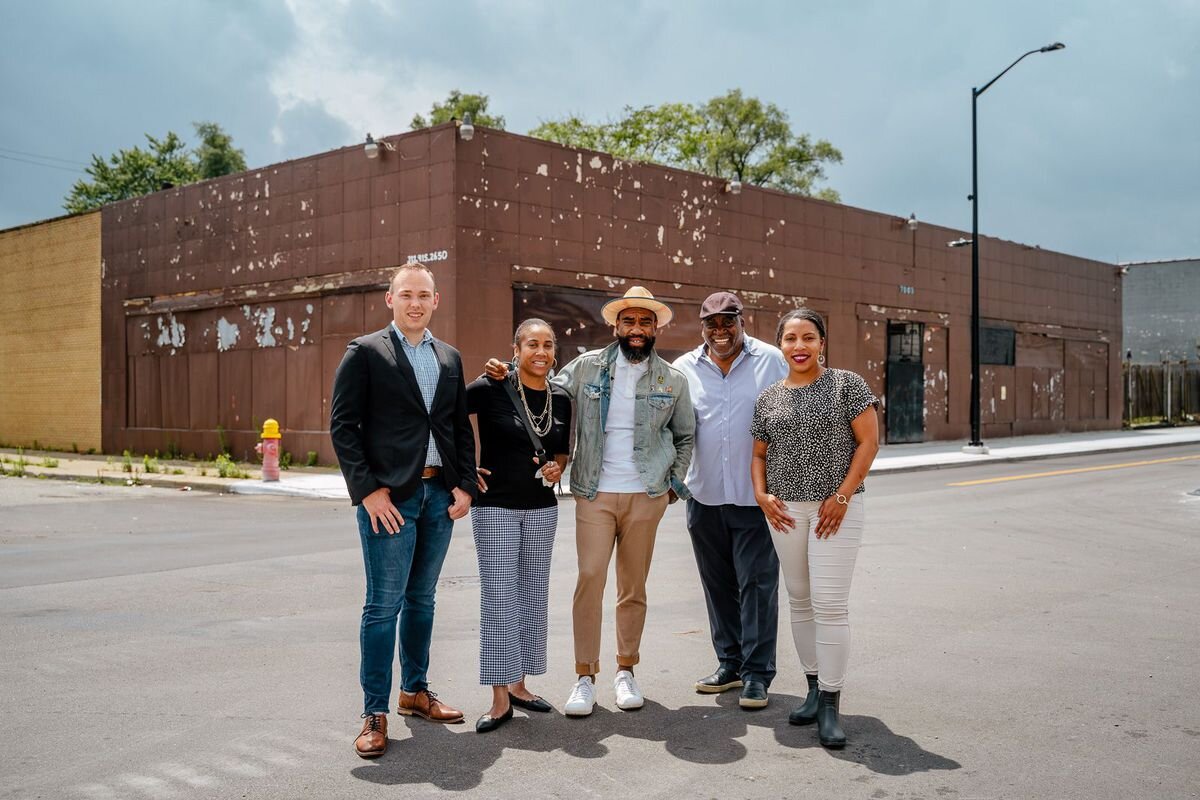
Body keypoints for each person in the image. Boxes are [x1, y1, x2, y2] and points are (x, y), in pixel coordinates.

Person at [486, 285, 694, 717]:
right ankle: (585, 676)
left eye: (645, 322)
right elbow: (536, 390)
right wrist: (506, 370)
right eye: (629, 321)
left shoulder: (672, 379)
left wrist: (672, 484)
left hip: (646, 495)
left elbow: (685, 435)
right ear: (615, 325)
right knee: (590, 579)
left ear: (655, 328)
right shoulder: (585, 369)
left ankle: (626, 671)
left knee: (632, 588)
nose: (636, 329)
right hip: (594, 493)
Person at [330, 261, 477, 759]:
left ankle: (415, 692)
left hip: (439, 497)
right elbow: (343, 427)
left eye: (424, 295)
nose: (416, 302)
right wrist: (367, 491)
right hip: (390, 500)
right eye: (406, 294)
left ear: (436, 301)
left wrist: (463, 487)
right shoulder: (366, 353)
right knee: (382, 605)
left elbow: (459, 428)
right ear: (390, 300)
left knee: (423, 600)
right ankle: (375, 712)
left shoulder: (450, 357)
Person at [750, 308, 879, 749]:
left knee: (829, 605)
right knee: (799, 600)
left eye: (808, 337)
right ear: (780, 344)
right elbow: (759, 456)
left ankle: (830, 703)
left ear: (822, 342)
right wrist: (761, 496)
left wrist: (842, 496)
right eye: (790, 338)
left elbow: (869, 441)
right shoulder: (769, 397)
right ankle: (811, 689)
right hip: (785, 512)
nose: (799, 346)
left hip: (834, 511)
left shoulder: (847, 385)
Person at [672, 292, 787, 710]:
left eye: (728, 323)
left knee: (757, 585)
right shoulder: (684, 368)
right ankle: (730, 665)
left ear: (742, 321)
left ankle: (757, 674)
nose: (720, 332)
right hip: (703, 497)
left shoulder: (772, 360)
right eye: (712, 324)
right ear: (702, 327)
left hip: (756, 497)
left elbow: (804, 398)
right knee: (718, 586)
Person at [466, 319, 571, 733]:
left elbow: (562, 453)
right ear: (515, 349)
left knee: (531, 596)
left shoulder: (561, 397)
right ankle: (498, 698)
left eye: (547, 344)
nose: (540, 352)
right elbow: (443, 416)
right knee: (499, 599)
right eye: (532, 344)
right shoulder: (490, 388)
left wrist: (554, 468)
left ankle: (520, 685)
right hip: (496, 507)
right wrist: (462, 469)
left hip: (542, 507)